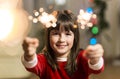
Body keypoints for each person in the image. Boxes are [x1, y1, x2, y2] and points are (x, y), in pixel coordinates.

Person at [21, 10, 104, 79]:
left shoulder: (82, 57)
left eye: (67, 34)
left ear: (74, 37)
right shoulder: (43, 60)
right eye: (56, 33)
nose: (61, 39)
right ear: (48, 36)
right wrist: (29, 54)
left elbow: (97, 68)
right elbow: (31, 64)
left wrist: (95, 58)